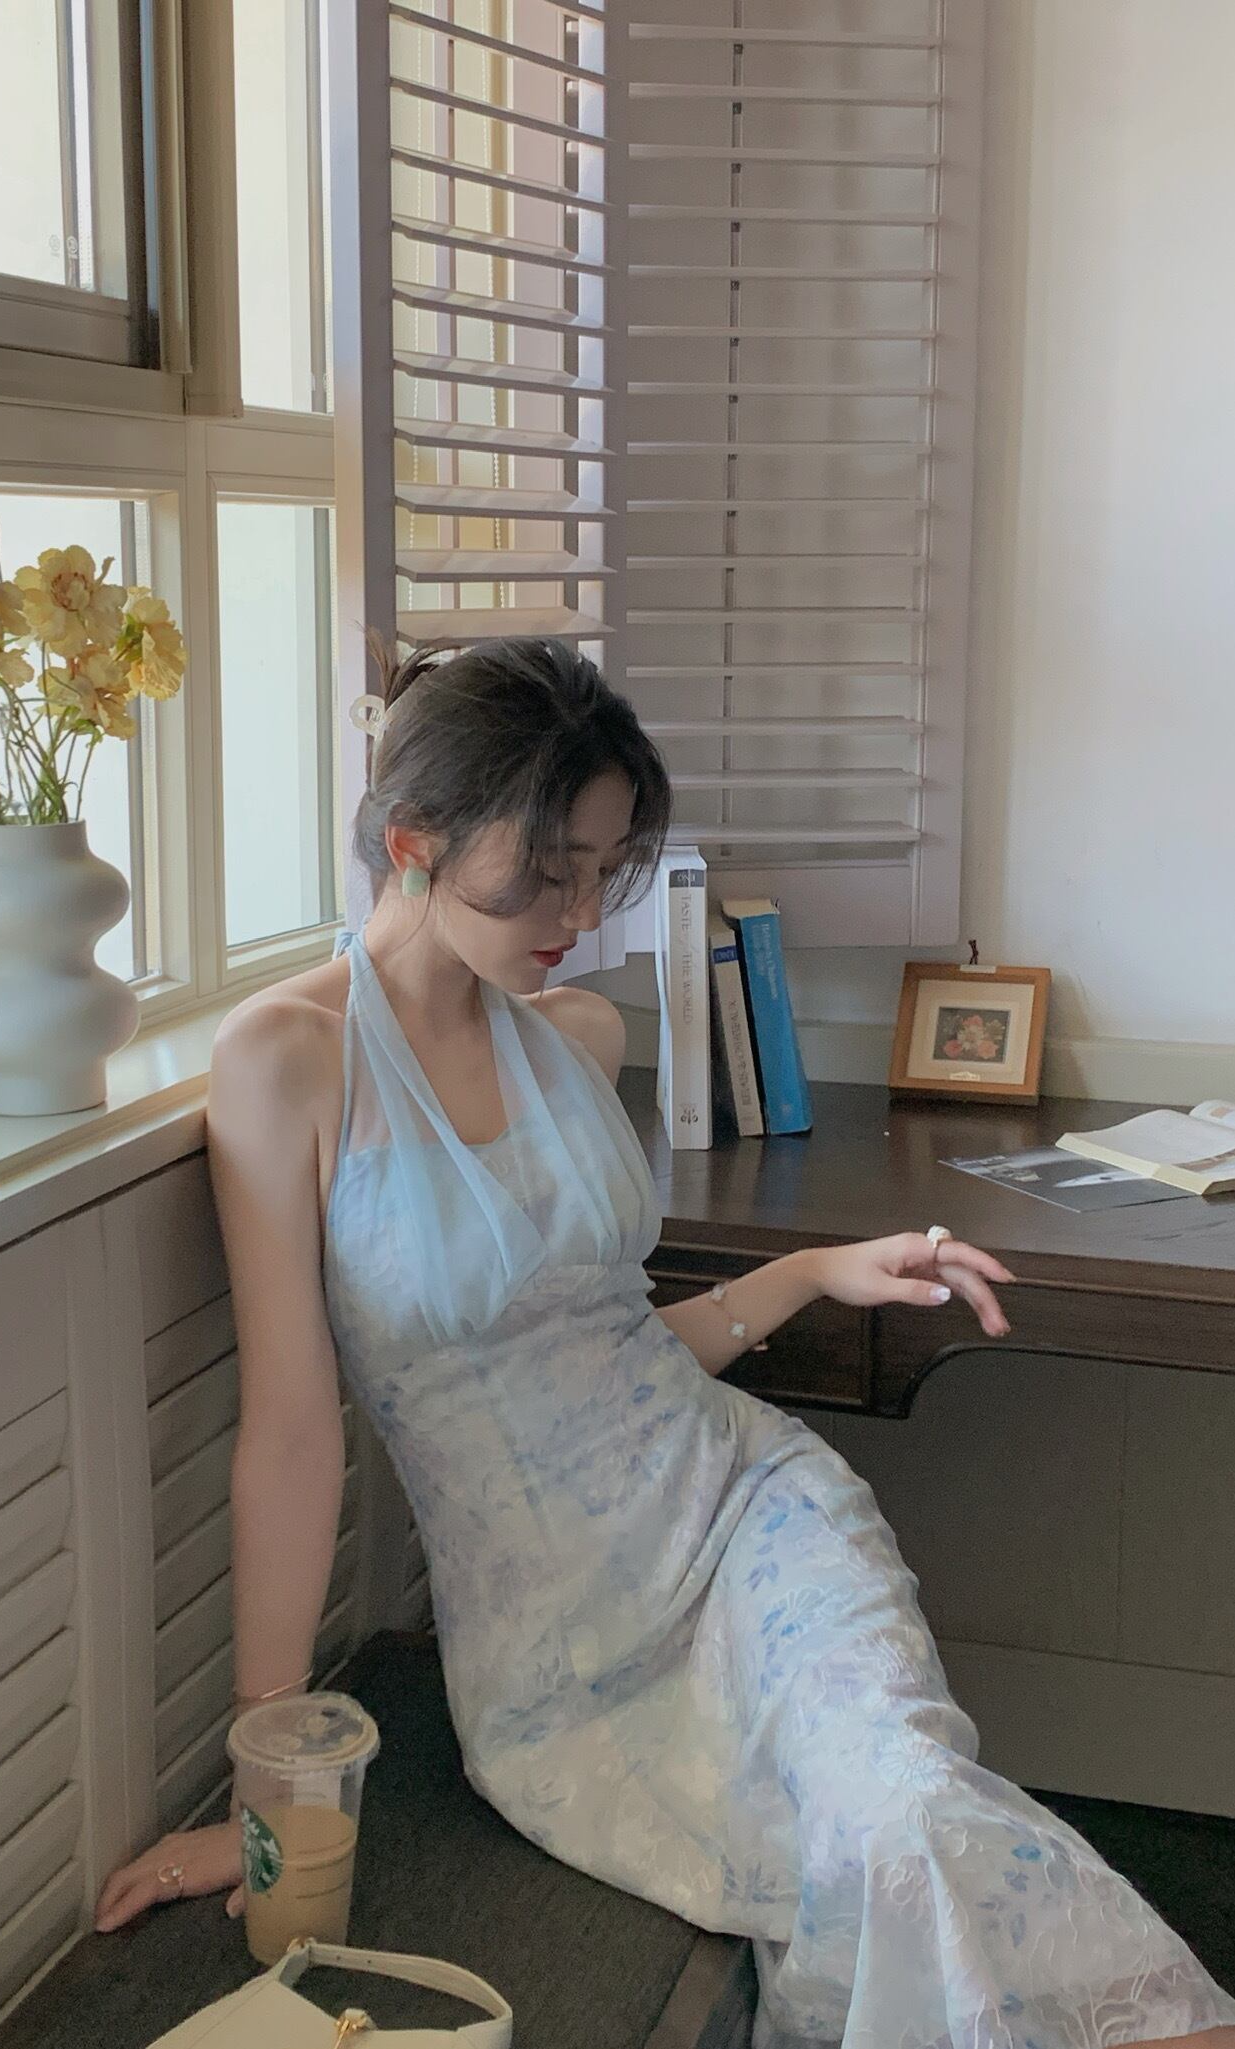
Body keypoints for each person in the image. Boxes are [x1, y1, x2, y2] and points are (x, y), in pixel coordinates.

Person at [97, 639, 1235, 2048]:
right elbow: (288, 1433)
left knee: (908, 1805)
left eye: (602, 869)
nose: (580, 913)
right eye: (547, 871)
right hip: (558, 1656)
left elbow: (614, 1353)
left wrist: (814, 1270)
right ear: (413, 841)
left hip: (750, 1514)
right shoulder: (284, 1062)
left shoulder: (572, 1037)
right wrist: (269, 1781)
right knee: (853, 1862)